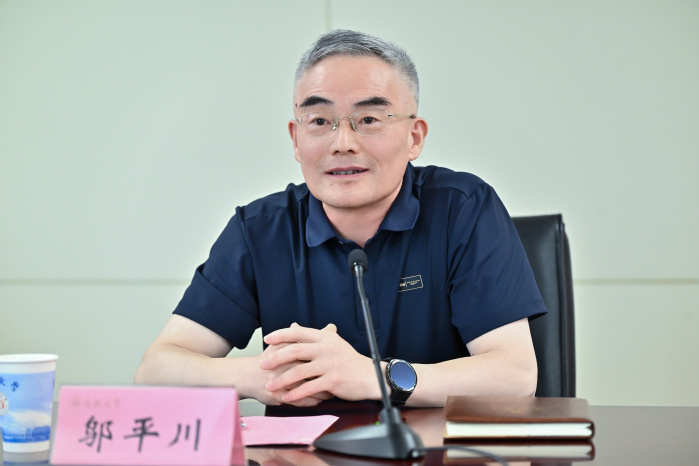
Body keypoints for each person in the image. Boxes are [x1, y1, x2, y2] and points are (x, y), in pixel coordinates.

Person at [134, 29, 546, 408]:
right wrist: (254, 375)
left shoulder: (463, 208)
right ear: (296, 140)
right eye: (319, 121)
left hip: (436, 450)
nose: (342, 143)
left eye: (368, 120)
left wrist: (373, 377)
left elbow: (515, 376)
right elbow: (155, 371)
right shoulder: (259, 230)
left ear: (414, 137)